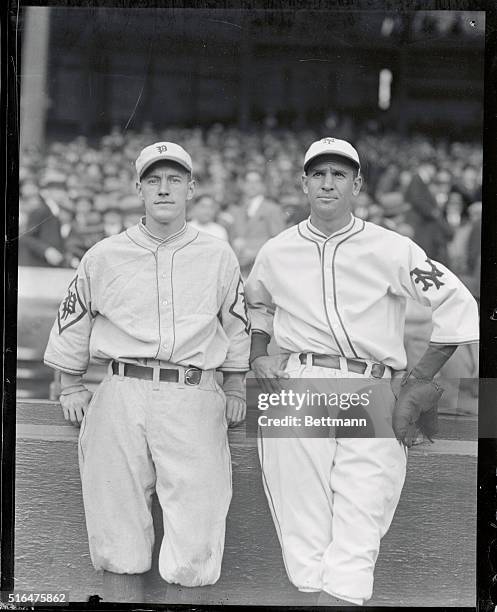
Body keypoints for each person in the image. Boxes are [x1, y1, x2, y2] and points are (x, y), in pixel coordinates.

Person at [245, 137, 479, 606]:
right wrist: (258, 352)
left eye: (339, 174)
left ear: (357, 184)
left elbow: (456, 301)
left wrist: (419, 378)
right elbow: (257, 305)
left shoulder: (391, 247)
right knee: (302, 531)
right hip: (298, 381)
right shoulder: (276, 250)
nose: (327, 182)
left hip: (370, 383)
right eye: (318, 173)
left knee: (360, 526)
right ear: (304, 182)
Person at [44, 142, 250, 603]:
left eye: (174, 179)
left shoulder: (218, 255)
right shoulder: (104, 254)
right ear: (138, 188)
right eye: (153, 180)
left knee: (196, 539)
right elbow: (74, 319)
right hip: (121, 389)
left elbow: (237, 325)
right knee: (117, 536)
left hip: (193, 392)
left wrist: (235, 382)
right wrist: (70, 383)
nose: (163, 188)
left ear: (191, 188)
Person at [229, 169, 286, 276]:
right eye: (249, 182)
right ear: (243, 185)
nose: (252, 185)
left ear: (262, 185)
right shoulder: (237, 210)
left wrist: (255, 252)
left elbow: (278, 239)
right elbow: (233, 237)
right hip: (240, 270)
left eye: (256, 182)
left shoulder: (273, 209)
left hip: (263, 268)